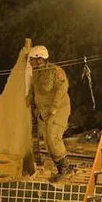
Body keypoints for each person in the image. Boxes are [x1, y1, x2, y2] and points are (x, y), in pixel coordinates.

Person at [26, 45, 73, 182]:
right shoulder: (36, 73)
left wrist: (54, 107)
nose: (30, 62)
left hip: (58, 110)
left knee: (53, 137)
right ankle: (61, 169)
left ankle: (66, 169)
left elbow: (61, 89)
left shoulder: (55, 71)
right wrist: (28, 103)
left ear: (40, 59)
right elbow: (34, 91)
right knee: (47, 141)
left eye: (32, 60)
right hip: (44, 111)